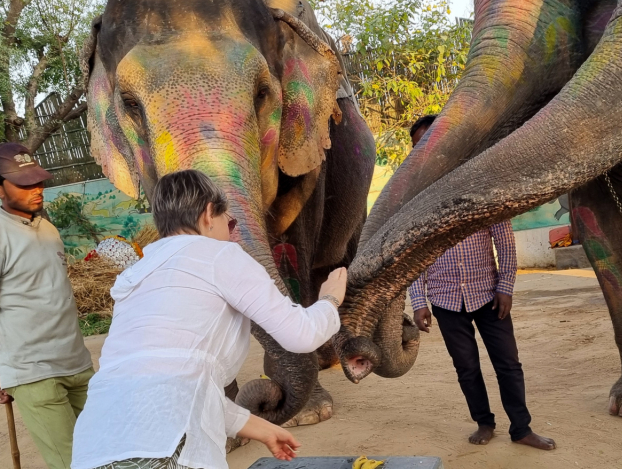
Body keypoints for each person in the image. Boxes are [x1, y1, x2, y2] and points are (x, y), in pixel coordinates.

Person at [71, 170, 347, 469]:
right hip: (162, 450)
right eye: (229, 222)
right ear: (207, 215)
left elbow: (180, 384)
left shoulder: (135, 275)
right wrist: (330, 300)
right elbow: (301, 335)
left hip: (93, 447)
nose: (230, 233)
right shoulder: (220, 255)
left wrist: (263, 429)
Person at [408, 116, 556, 451]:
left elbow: (504, 241)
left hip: (489, 296)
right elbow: (415, 256)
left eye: (432, 139)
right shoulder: (415, 200)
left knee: (508, 364)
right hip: (445, 301)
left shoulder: (480, 186)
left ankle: (521, 428)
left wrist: (506, 287)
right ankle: (484, 422)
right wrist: (418, 301)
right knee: (467, 368)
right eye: (420, 144)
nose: (427, 148)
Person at [0, 143, 95, 469]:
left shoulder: (49, 229)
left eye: (37, 181)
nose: (36, 190)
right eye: (23, 184)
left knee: (107, 452)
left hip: (77, 363)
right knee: (73, 464)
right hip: (33, 372)